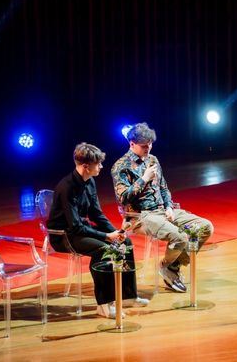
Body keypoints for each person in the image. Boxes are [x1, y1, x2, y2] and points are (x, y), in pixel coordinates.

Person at [47, 142, 149, 318]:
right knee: (104, 250)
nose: (101, 166)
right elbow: (75, 226)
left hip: (79, 230)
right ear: (86, 166)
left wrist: (117, 233)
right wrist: (107, 236)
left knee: (126, 242)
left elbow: (96, 214)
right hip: (63, 235)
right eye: (98, 163)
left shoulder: (90, 181)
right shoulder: (67, 187)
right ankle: (103, 304)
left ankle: (127, 296)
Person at [111, 123, 214, 293]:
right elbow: (123, 198)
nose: (148, 148)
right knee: (180, 237)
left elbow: (163, 188)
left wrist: (168, 206)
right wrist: (143, 179)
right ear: (132, 144)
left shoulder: (153, 159)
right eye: (144, 146)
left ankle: (172, 266)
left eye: (150, 144)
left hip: (162, 211)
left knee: (205, 227)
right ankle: (167, 267)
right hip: (140, 216)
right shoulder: (121, 167)